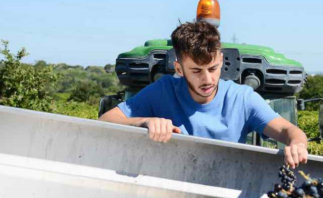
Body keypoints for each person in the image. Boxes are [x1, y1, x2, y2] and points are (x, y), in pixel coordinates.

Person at [99, 21, 309, 167]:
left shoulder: (243, 99)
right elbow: (106, 121)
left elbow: (287, 130)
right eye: (197, 71)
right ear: (179, 69)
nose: (207, 79)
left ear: (221, 60)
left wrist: (297, 144)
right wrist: (145, 122)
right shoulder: (163, 90)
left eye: (213, 68)